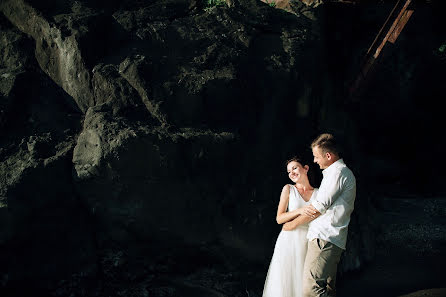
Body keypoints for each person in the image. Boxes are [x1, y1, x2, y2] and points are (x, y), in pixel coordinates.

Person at [294, 133, 357, 297]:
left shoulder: (338, 173)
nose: (314, 161)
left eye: (316, 156)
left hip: (325, 238)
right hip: (329, 238)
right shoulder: (334, 173)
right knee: (328, 288)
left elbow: (318, 208)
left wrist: (291, 224)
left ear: (328, 156)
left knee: (311, 289)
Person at [262, 157, 319, 297]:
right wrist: (299, 211)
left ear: (305, 168)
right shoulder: (288, 189)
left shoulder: (318, 193)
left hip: (308, 240)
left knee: (303, 280)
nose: (291, 173)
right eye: (288, 171)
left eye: (294, 168)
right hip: (289, 239)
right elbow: (279, 218)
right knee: (285, 280)